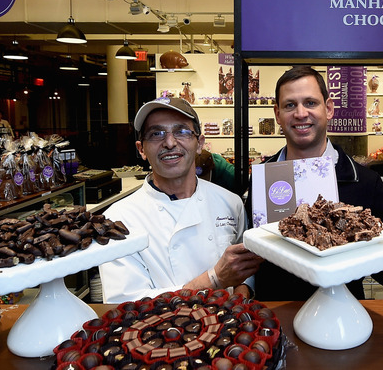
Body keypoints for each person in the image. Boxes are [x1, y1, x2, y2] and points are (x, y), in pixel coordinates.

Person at [250, 65, 383, 301]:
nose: (300, 113)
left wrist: (358, 233)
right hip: (275, 318)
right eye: (290, 105)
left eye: (310, 102)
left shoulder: (364, 182)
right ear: (277, 114)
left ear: (328, 109)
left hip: (341, 318)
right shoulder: (263, 178)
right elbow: (255, 258)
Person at [99, 97, 263, 303]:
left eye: (182, 131)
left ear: (200, 144)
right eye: (156, 134)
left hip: (228, 328)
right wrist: (214, 279)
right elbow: (125, 305)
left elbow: (244, 269)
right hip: (162, 333)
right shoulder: (118, 219)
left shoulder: (230, 202)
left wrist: (241, 296)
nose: (169, 142)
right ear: (141, 149)